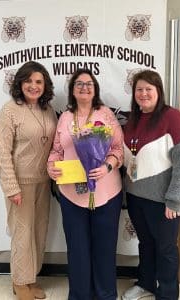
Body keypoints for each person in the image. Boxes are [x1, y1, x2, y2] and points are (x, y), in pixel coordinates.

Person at [47, 68, 123, 300]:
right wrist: (51, 165)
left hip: (107, 193)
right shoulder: (65, 117)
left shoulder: (106, 115)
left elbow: (118, 149)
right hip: (72, 194)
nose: (84, 87)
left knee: (104, 249)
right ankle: (79, 295)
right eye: (79, 84)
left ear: (95, 89)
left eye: (89, 84)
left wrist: (108, 166)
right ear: (72, 90)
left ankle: (106, 294)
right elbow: (56, 150)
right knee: (78, 250)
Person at [121, 70, 180, 300]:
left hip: (163, 201)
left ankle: (167, 294)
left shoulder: (173, 118)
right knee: (145, 244)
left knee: (165, 249)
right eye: (139, 90)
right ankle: (146, 283)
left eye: (148, 89)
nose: (143, 94)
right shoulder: (132, 120)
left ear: (158, 92)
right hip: (135, 197)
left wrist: (175, 199)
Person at [0, 61, 57, 300]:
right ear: (20, 83)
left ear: (45, 85)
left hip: (43, 182)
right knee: (22, 233)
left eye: (38, 81)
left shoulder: (48, 109)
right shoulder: (9, 111)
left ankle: (30, 279)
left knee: (39, 231)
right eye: (28, 81)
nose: (33, 85)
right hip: (20, 184)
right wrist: (11, 188)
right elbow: (0, 152)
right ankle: (19, 283)